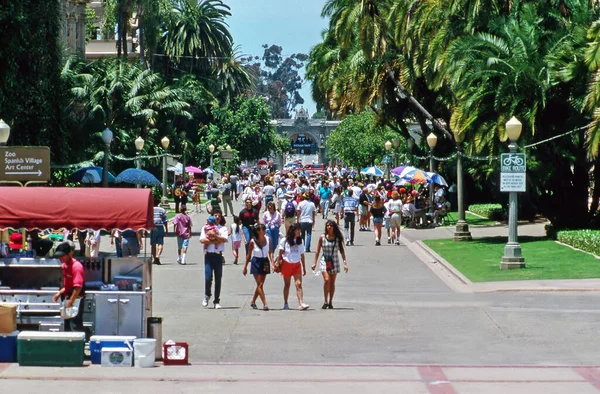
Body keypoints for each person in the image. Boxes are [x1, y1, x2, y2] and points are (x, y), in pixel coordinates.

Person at [312, 220, 348, 309]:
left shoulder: (337, 238)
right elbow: (317, 251)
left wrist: (345, 263)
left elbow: (342, 251)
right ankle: (325, 301)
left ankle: (330, 301)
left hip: (334, 260)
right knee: (327, 280)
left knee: (332, 282)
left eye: (331, 226)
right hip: (324, 260)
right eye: (327, 225)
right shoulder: (322, 237)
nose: (329, 227)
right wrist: (314, 263)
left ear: (334, 227)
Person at [275, 223, 309, 310]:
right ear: (292, 231)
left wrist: (304, 267)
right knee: (287, 284)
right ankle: (285, 303)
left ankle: (301, 303)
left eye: (299, 230)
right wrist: (278, 263)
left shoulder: (300, 241)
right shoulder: (284, 241)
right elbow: (280, 253)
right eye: (297, 230)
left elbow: (302, 255)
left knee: (299, 284)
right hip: (287, 263)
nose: (299, 232)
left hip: (297, 264)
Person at [52, 242, 85, 331]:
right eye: (59, 256)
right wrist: (59, 293)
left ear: (69, 253)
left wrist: (71, 302)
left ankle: (77, 344)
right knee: (67, 325)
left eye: (62, 256)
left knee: (75, 325)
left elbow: (78, 287)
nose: (60, 258)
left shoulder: (76, 266)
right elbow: (68, 285)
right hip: (68, 298)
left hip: (76, 299)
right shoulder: (64, 266)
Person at [200, 210, 229, 309]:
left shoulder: (223, 228)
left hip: (218, 256)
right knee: (208, 277)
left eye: (219, 216)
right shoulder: (205, 228)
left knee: (218, 279)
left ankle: (216, 300)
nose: (217, 217)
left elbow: (224, 240)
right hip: (208, 255)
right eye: (215, 215)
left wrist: (214, 235)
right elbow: (203, 240)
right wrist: (216, 240)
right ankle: (207, 294)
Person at [243, 224, 274, 311]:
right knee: (259, 284)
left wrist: (272, 263)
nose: (264, 231)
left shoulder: (268, 239)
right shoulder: (253, 241)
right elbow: (249, 255)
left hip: (265, 262)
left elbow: (270, 252)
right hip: (256, 262)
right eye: (262, 229)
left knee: (260, 284)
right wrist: (245, 267)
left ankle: (253, 301)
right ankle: (265, 304)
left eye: (264, 229)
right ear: (258, 231)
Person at [151, 199, 168, 265]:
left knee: (153, 244)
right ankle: (158, 255)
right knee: (160, 243)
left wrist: (145, 230)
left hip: (153, 227)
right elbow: (165, 220)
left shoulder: (150, 210)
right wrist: (166, 230)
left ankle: (154, 258)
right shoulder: (162, 210)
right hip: (160, 227)